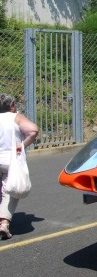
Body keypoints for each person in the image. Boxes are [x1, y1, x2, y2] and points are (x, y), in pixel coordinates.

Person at [0, 93, 40, 240]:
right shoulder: (16, 117)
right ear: (11, 106)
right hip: (9, 161)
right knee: (10, 191)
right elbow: (33, 130)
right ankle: (4, 223)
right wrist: (21, 145)